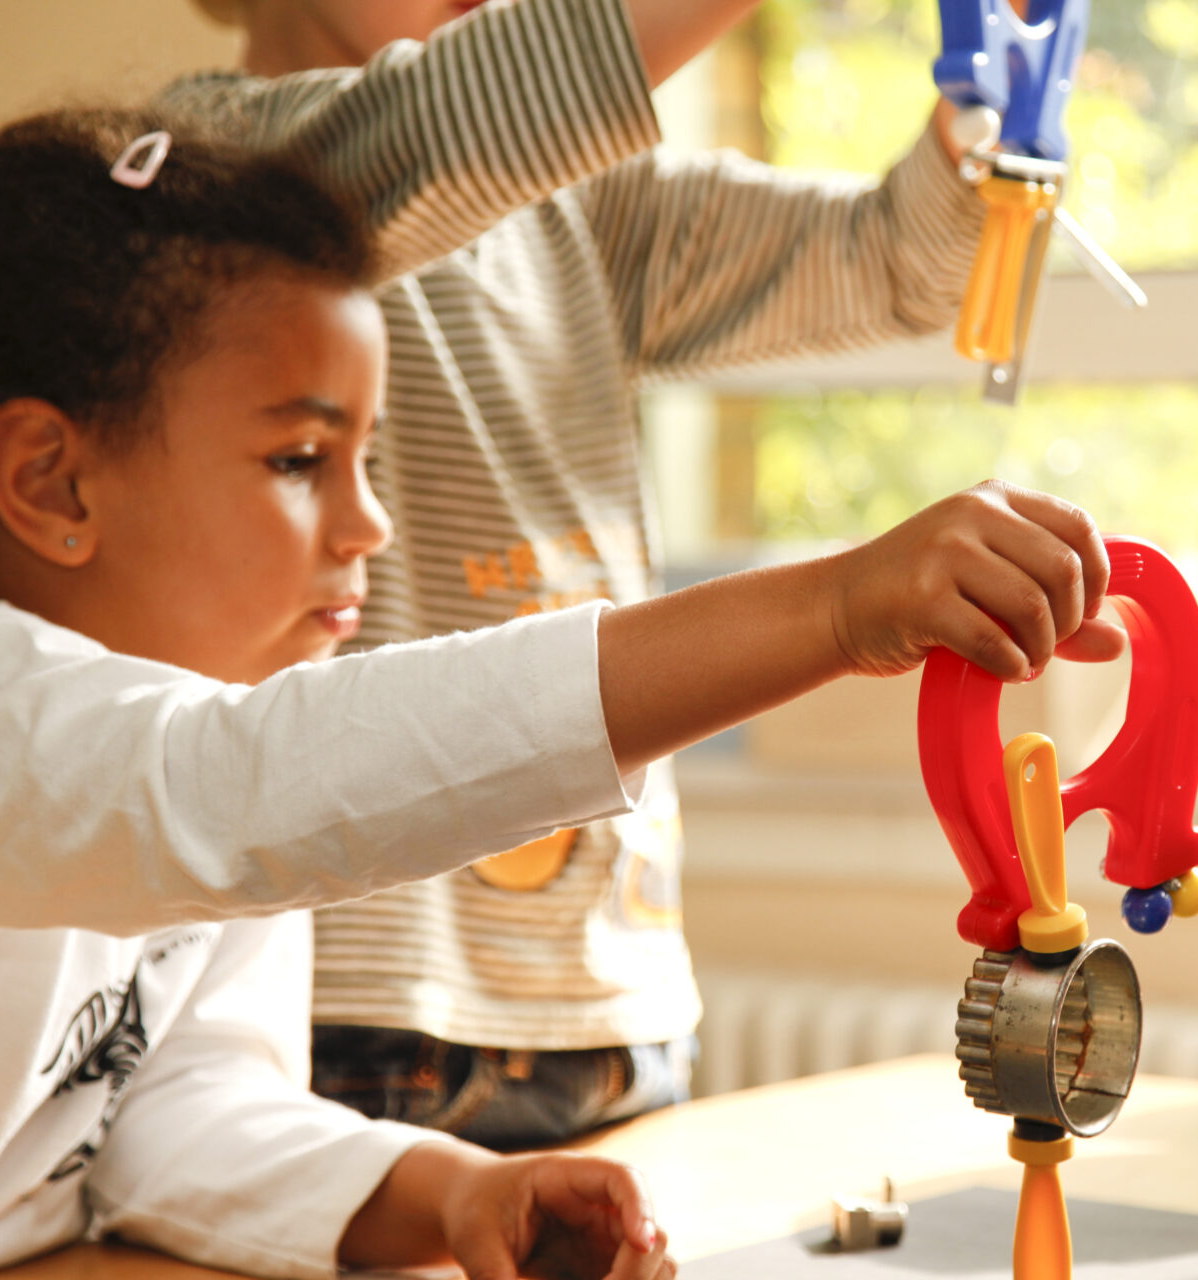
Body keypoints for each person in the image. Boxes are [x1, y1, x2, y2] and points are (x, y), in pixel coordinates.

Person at [0, 108, 1118, 1280]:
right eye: (299, 458)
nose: (370, 522)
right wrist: (829, 611)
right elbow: (236, 780)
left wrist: (453, 1189)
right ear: (51, 482)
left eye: (366, 455)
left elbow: (177, 1114)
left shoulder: (196, 730)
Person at [163, 0, 992, 1144]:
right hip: (366, 1006)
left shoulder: (583, 210)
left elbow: (890, 261)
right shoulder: (220, 178)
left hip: (613, 1000)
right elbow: (511, 93)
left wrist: (976, 132)